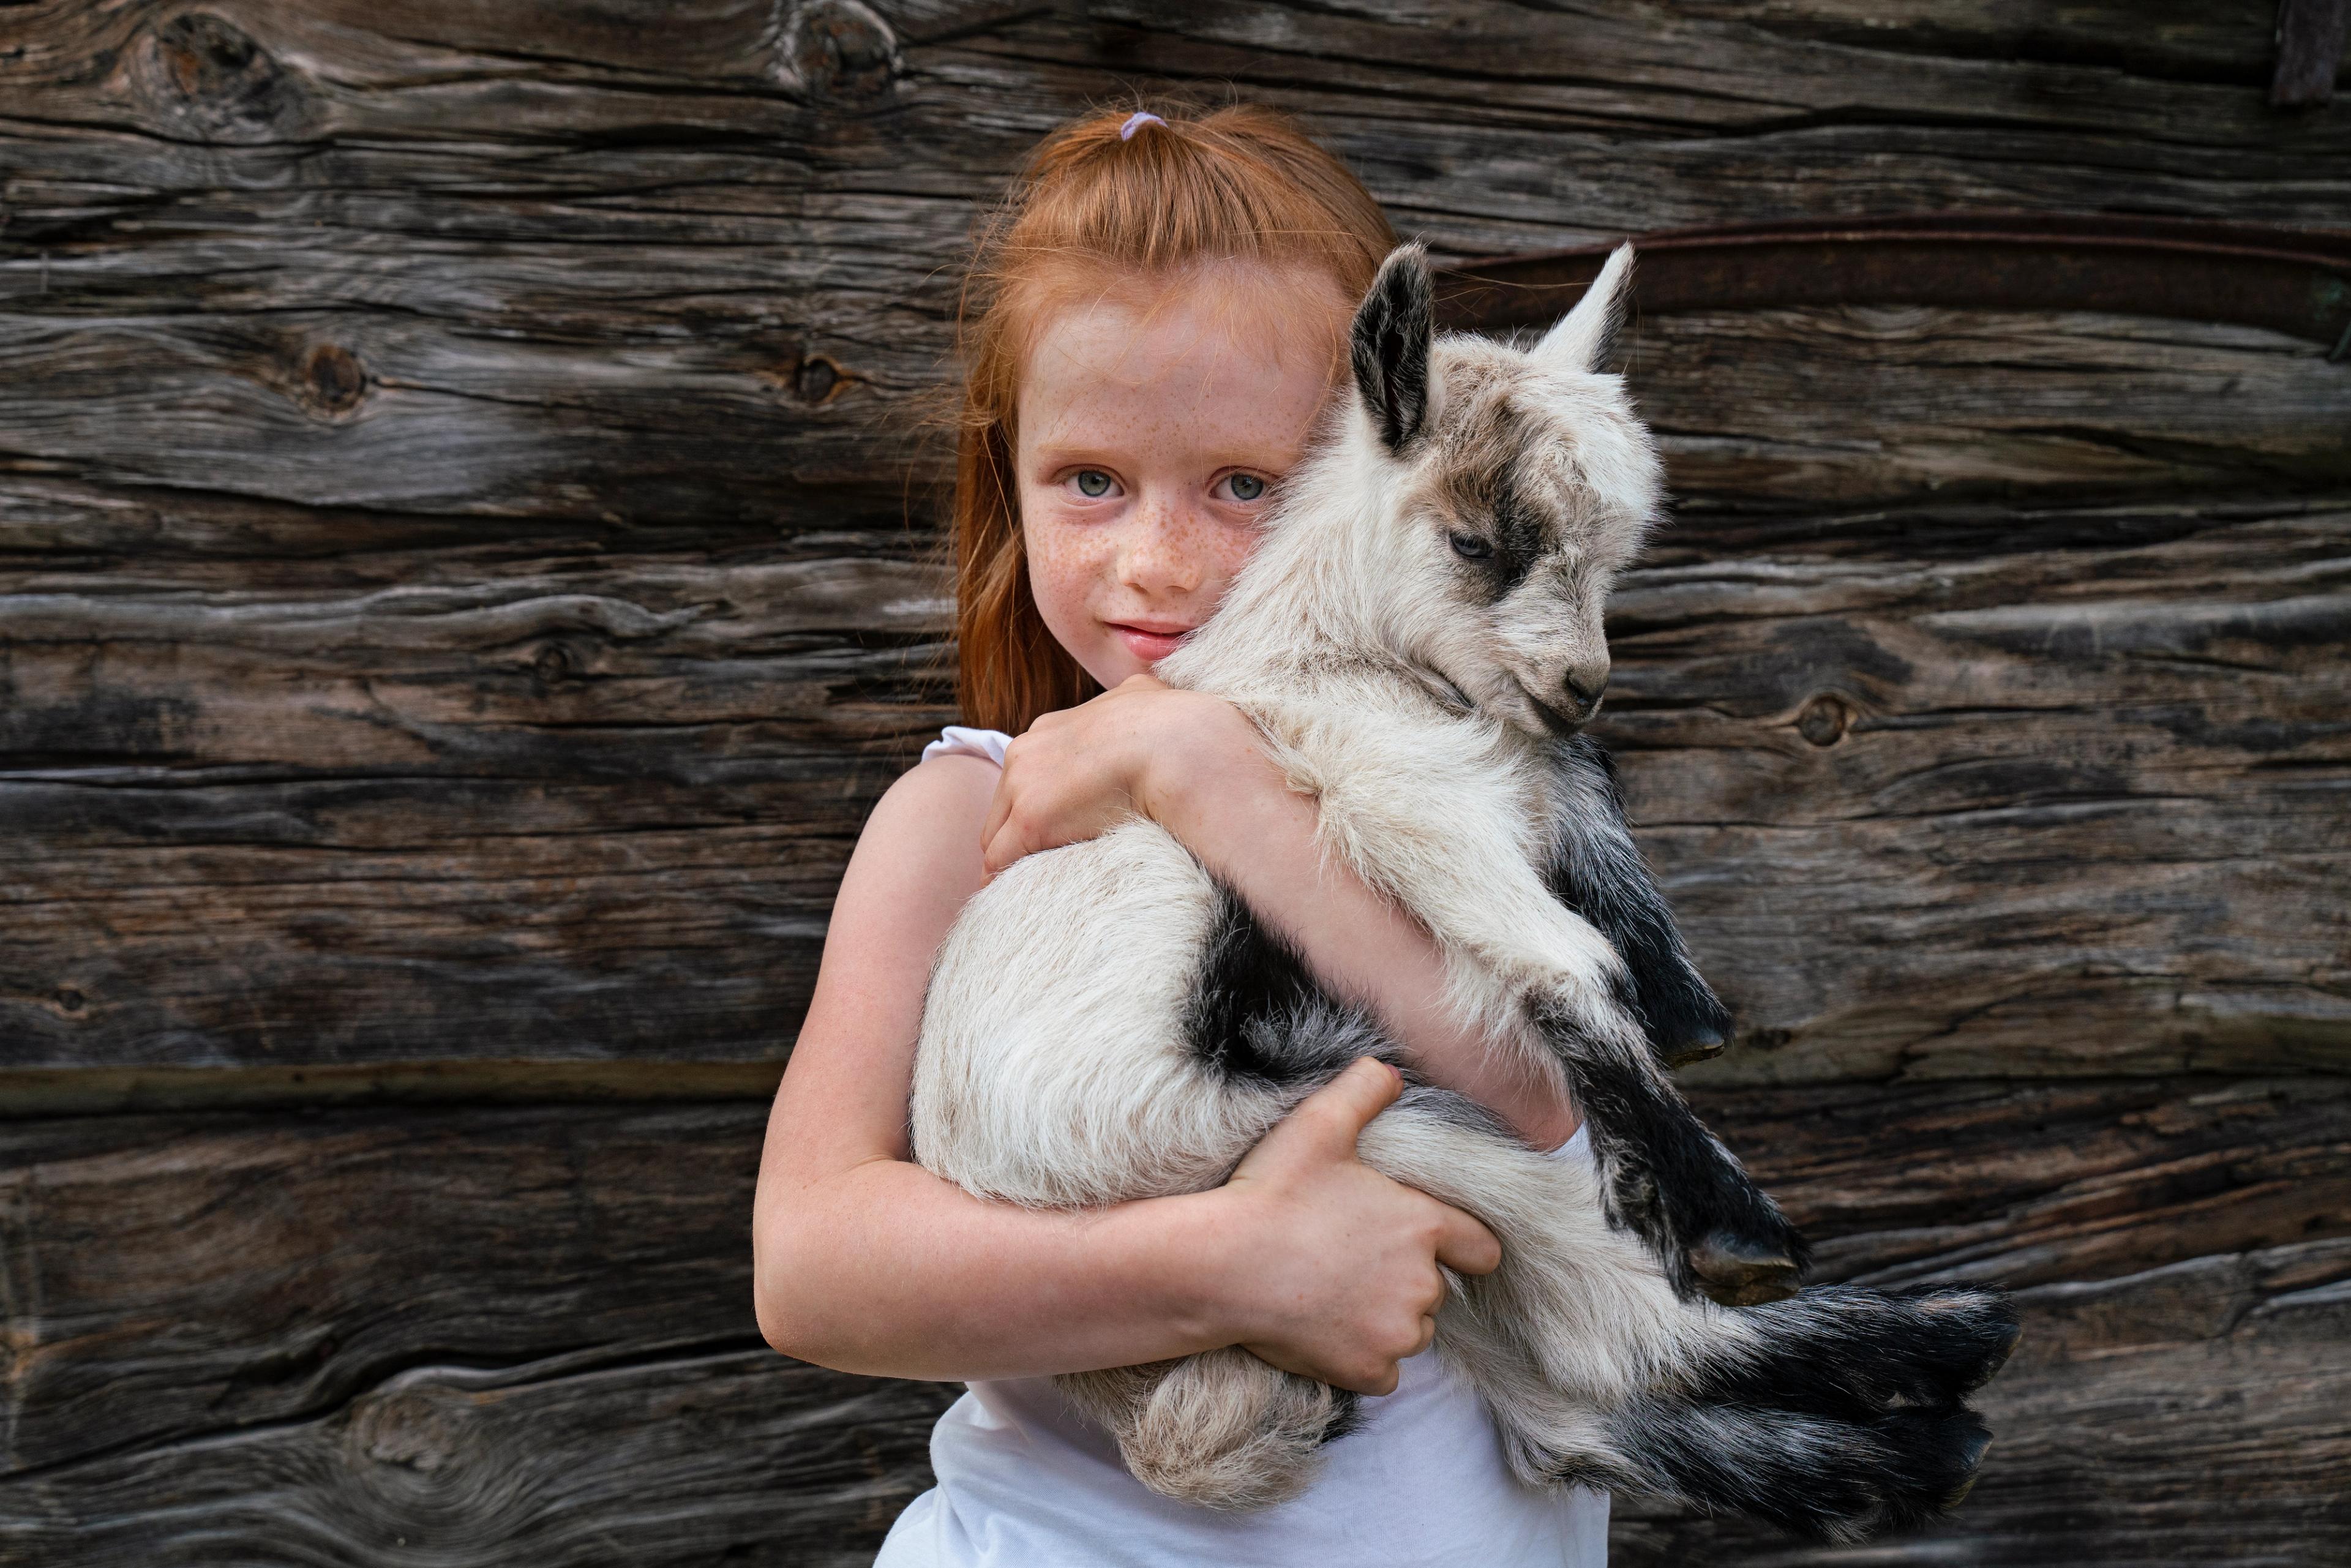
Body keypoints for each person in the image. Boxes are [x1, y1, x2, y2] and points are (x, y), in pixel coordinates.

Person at [751, 102, 1608, 1566]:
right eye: (1090, 481)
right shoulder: (969, 817)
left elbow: (1541, 1092)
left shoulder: (1468, 782)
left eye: (1245, 486)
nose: (1156, 563)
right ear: (1009, 480)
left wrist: (1215, 786)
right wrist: (1222, 1270)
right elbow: (811, 1270)